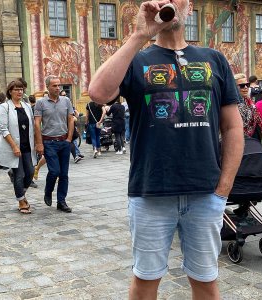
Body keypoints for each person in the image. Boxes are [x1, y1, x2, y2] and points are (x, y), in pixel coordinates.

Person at [88, 1, 245, 299]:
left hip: (205, 193)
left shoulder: (213, 59)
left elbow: (233, 128)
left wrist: (223, 191)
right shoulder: (137, 59)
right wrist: (138, 36)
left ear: (189, 5)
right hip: (151, 193)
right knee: (145, 281)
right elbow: (98, 93)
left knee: (206, 282)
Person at [34, 75, 74, 213]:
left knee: (64, 174)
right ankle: (48, 190)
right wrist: (39, 143)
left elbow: (70, 119)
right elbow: (37, 124)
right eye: (54, 86)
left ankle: (61, 201)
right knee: (54, 171)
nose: (58, 88)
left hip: (64, 141)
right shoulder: (41, 103)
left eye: (59, 85)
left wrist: (69, 138)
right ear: (48, 87)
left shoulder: (66, 101)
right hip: (49, 142)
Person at [0, 80, 36, 214]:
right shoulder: (4, 107)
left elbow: (32, 127)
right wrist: (14, 146)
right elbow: (3, 128)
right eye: (16, 89)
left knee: (30, 172)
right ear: (10, 91)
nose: (20, 91)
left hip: (27, 145)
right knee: (20, 175)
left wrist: (37, 143)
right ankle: (21, 201)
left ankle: (21, 193)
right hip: (14, 146)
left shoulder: (26, 106)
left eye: (21, 89)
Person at [235, 73, 262, 149]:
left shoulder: (250, 104)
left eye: (247, 84)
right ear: (234, 87)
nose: (246, 87)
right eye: (242, 85)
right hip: (238, 145)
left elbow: (258, 125)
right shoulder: (230, 105)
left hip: (254, 143)